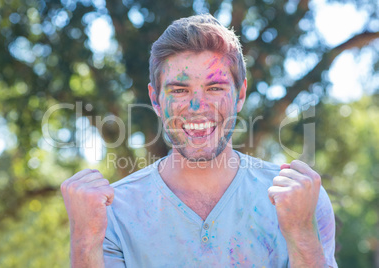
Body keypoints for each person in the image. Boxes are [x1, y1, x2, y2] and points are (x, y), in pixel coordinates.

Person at [61, 14, 337, 267]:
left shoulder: (299, 201)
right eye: (180, 90)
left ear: (240, 95)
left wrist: (301, 234)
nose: (197, 106)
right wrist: (84, 241)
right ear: (155, 99)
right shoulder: (113, 212)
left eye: (214, 87)